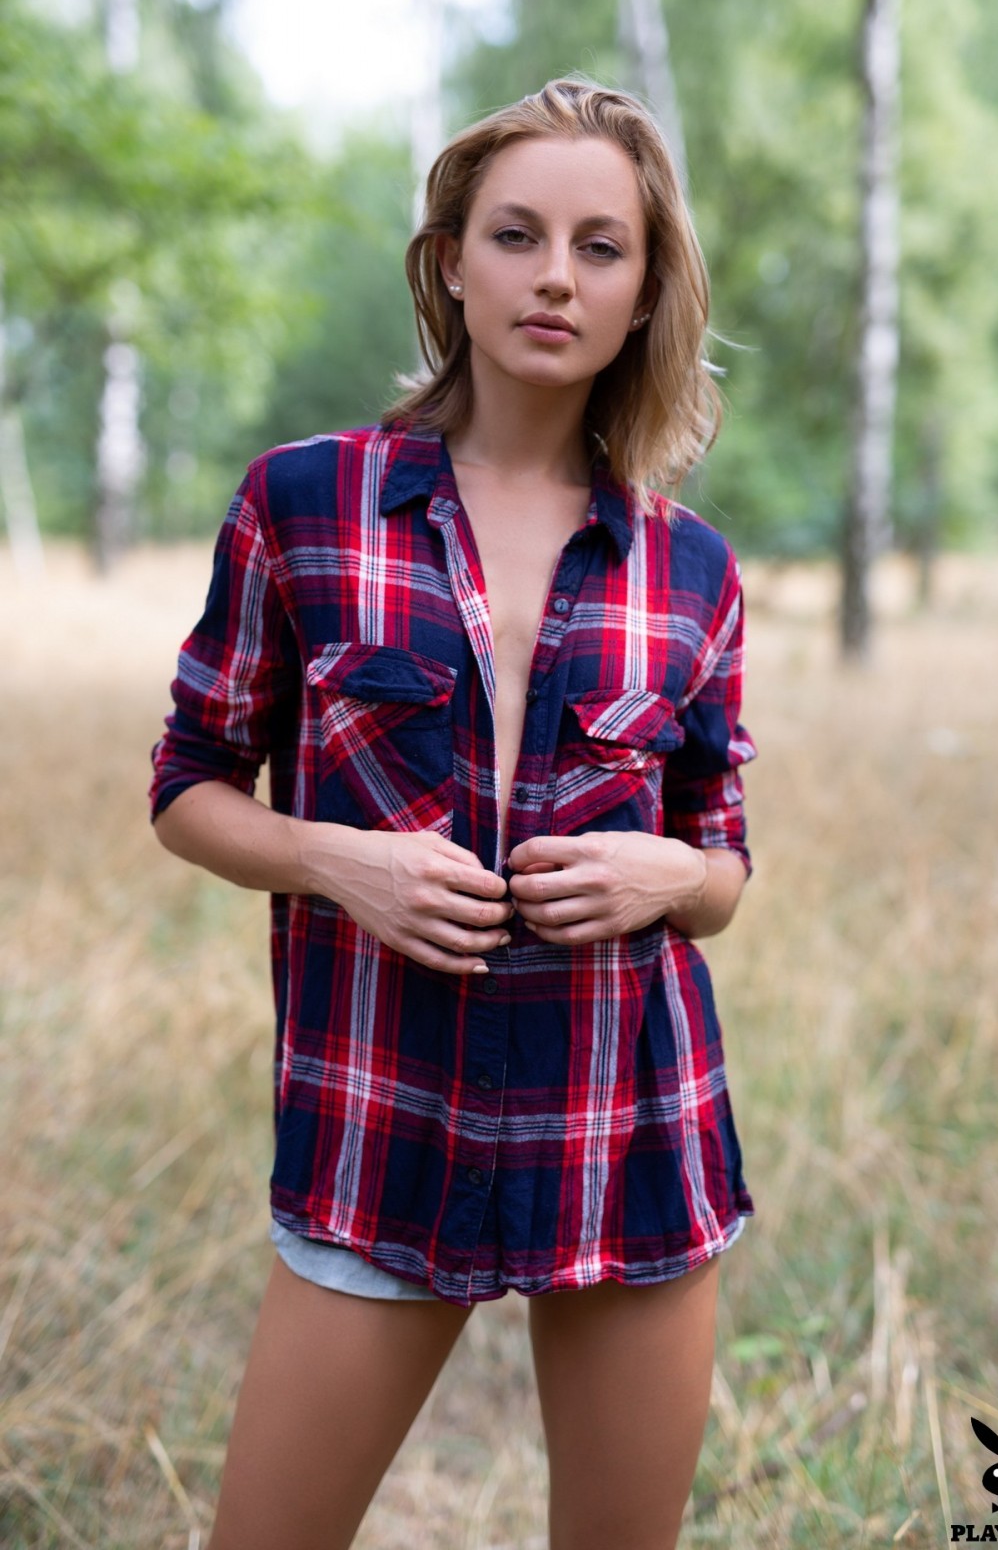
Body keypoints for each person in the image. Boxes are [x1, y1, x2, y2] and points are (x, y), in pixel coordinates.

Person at [149, 76, 757, 1550]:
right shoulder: (304, 503)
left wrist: (664, 876)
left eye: (600, 248)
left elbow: (723, 861)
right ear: (451, 263)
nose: (554, 277)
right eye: (516, 234)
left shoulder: (690, 567)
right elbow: (187, 786)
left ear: (643, 294)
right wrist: (330, 860)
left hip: (624, 1128)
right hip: (381, 1121)